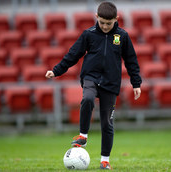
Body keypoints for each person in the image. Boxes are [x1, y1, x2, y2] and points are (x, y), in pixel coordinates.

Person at [45, 1, 142, 170]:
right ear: (96, 17)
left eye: (109, 23)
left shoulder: (122, 36)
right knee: (87, 99)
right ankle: (83, 135)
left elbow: (131, 61)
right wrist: (56, 70)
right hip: (91, 77)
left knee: (107, 123)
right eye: (102, 22)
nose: (105, 26)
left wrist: (136, 83)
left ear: (116, 19)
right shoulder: (88, 34)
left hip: (111, 83)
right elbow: (73, 54)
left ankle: (105, 160)